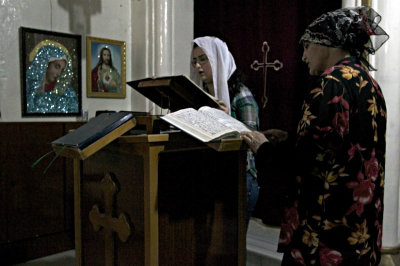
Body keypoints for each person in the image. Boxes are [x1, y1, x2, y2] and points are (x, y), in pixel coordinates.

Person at [241, 6, 389, 265]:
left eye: (307, 46)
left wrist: (263, 149)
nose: (303, 57)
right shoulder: (367, 81)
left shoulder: (332, 82)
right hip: (359, 230)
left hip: (325, 234)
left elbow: (307, 162)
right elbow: (342, 145)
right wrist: (288, 138)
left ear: (328, 43)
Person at [190, 36, 260, 228]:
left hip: (240, 179)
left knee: (232, 247)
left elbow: (252, 141)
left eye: (203, 59)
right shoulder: (200, 96)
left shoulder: (241, 95)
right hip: (211, 177)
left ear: (217, 59)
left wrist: (226, 119)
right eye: (195, 61)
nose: (198, 66)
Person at [26, 40, 79, 114]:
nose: (59, 73)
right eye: (57, 67)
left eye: (62, 70)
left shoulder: (67, 93)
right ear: (46, 64)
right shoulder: (30, 89)